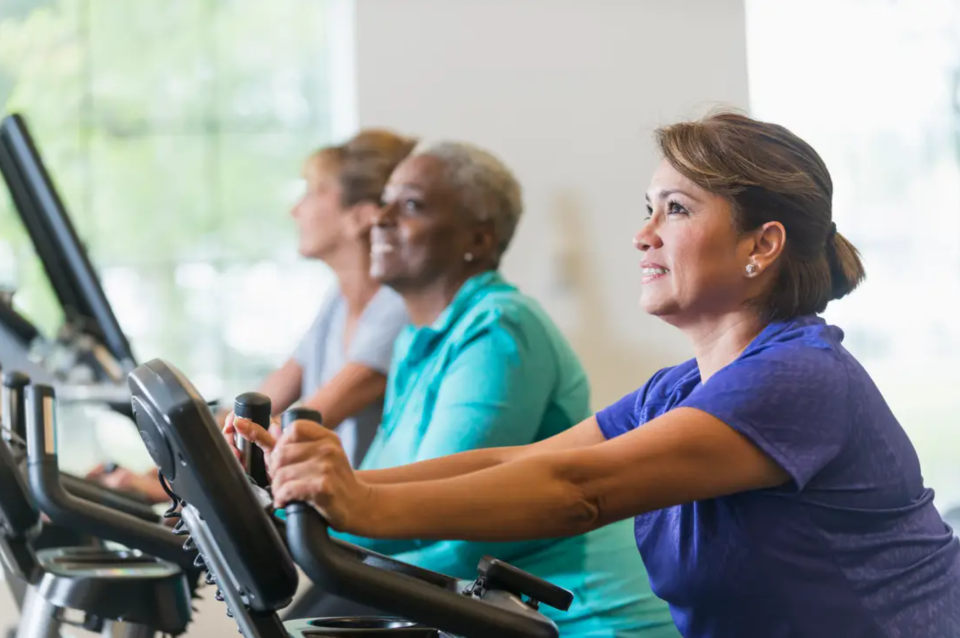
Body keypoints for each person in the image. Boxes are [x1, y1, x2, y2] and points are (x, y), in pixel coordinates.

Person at [264, 113, 960, 638]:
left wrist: (363, 507)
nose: (643, 233)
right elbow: (525, 459)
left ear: (762, 244)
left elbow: (581, 491)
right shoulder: (680, 388)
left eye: (677, 209)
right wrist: (329, 487)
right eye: (647, 208)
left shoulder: (800, 377)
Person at [230, 141, 679, 636]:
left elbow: (451, 527)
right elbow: (385, 482)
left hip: (584, 619)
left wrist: (311, 514)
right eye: (385, 202)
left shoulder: (502, 330)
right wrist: (296, 496)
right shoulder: (415, 344)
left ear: (479, 239)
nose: (381, 218)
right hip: (494, 613)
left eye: (411, 205)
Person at [90, 130, 414, 503]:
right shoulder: (338, 302)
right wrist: (159, 472)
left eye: (313, 192)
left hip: (351, 524)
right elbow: (260, 404)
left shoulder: (396, 310)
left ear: (361, 217)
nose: (296, 210)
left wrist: (168, 488)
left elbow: (293, 430)